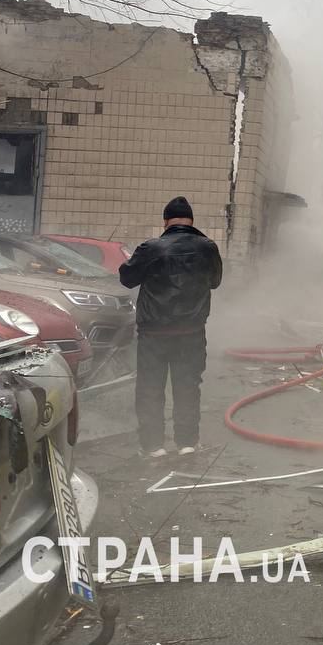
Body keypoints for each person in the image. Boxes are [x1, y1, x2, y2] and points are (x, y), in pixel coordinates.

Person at [119, 196, 223, 458]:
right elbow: (215, 281)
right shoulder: (207, 247)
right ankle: (187, 443)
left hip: (154, 334)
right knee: (187, 387)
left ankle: (153, 447)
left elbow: (127, 278)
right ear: (191, 221)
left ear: (166, 221)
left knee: (150, 389)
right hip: (191, 333)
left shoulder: (151, 248)